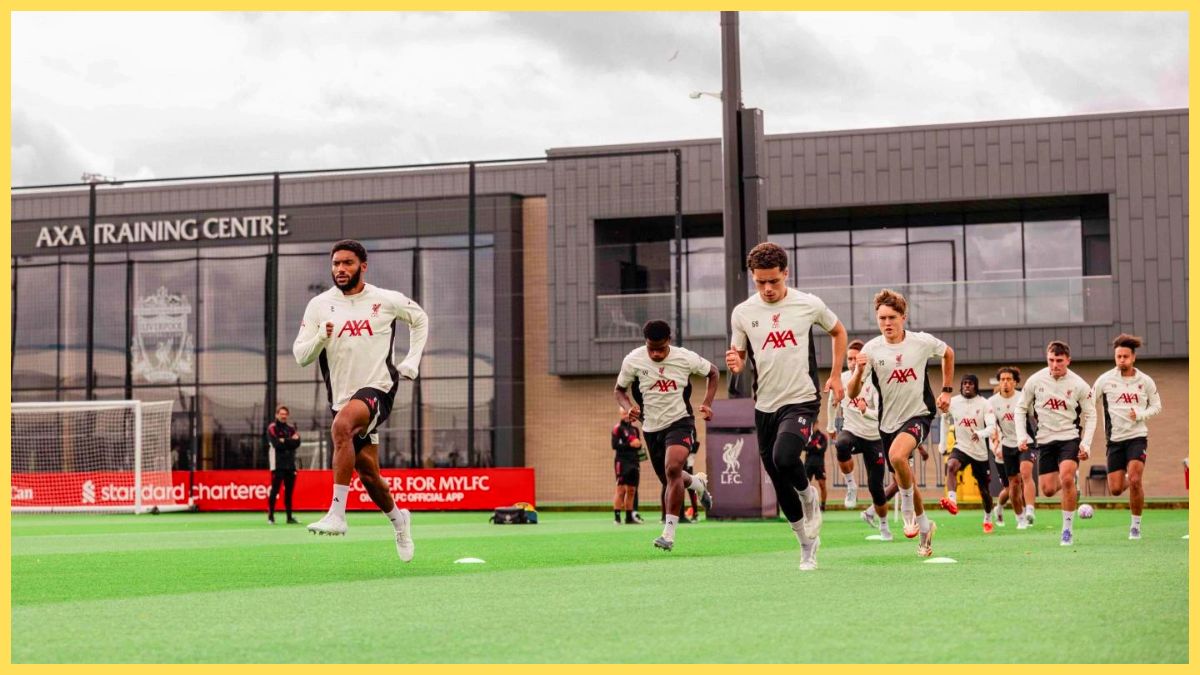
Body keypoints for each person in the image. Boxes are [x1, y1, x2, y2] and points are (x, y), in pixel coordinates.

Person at [292, 239, 428, 562]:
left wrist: (412, 360)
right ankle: (399, 520)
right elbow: (300, 356)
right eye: (336, 264)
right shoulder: (319, 305)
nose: (340, 269)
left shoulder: (385, 300)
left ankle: (337, 514)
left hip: (379, 388)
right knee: (369, 475)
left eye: (348, 263)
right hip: (342, 397)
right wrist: (320, 338)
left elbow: (420, 319)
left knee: (341, 426)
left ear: (363, 266)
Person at [726, 242, 848, 571]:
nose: (767, 289)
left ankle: (809, 496)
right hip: (765, 404)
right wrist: (735, 363)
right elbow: (737, 354)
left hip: (801, 398)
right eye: (760, 282)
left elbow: (838, 332)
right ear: (752, 278)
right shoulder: (743, 313)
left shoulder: (808, 304)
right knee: (778, 478)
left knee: (785, 457)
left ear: (786, 274)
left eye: (773, 281)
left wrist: (836, 375)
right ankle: (806, 546)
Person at [847, 288, 953, 558]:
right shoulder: (871, 350)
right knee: (903, 472)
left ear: (903, 317)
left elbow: (948, 353)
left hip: (919, 414)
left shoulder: (921, 342)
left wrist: (947, 390)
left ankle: (907, 511)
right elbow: (851, 393)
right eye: (882, 318)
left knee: (897, 455)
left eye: (892, 317)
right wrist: (859, 370)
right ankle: (926, 528)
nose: (887, 323)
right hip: (887, 423)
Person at [615, 320, 718, 552]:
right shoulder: (633, 360)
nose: (656, 353)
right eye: (651, 348)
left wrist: (708, 403)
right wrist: (628, 406)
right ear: (646, 343)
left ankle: (668, 534)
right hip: (651, 427)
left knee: (672, 470)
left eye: (660, 348)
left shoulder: (685, 358)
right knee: (670, 478)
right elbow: (619, 390)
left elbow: (713, 373)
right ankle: (698, 485)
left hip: (680, 422)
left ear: (669, 341)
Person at [1016, 341, 1096, 547]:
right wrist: (1021, 436)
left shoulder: (1079, 385)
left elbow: (1091, 414)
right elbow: (1020, 408)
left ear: (1068, 360)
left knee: (1066, 476)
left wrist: (1085, 444)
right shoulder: (1035, 380)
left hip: (1069, 437)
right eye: (1051, 360)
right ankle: (1069, 479)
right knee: (1048, 490)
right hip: (1044, 439)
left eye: (1059, 361)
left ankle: (1067, 530)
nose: (1054, 365)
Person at [1092, 334, 1162, 540]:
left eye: (1125, 356)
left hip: (1137, 437)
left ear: (1133, 358)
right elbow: (1088, 400)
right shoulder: (1105, 380)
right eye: (1118, 356)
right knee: (1114, 489)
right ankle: (1129, 479)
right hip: (1114, 440)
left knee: (1136, 478)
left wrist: (1141, 415)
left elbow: (1157, 405)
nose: (1121, 360)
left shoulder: (1145, 381)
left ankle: (1135, 526)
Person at [827, 339, 892, 541]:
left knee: (876, 487)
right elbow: (832, 401)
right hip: (852, 430)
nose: (853, 362)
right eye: (850, 359)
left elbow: (882, 414)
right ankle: (851, 485)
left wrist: (866, 411)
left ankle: (883, 526)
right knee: (841, 444)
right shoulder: (843, 378)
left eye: (857, 358)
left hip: (874, 437)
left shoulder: (875, 382)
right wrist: (830, 426)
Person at [937, 375, 998, 533]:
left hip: (980, 452)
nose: (967, 386)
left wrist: (981, 433)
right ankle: (952, 500)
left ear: (976, 386)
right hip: (962, 447)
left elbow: (992, 427)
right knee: (951, 466)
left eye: (970, 384)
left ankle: (988, 516)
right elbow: (944, 419)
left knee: (984, 491)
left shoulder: (985, 404)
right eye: (964, 383)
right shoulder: (954, 402)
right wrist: (943, 444)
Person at [989, 367, 1031, 529]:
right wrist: (996, 446)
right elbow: (992, 427)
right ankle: (999, 507)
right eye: (1002, 380)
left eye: (1008, 379)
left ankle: (1022, 514)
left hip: (1020, 444)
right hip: (1001, 450)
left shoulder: (1022, 398)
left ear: (1015, 382)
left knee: (1019, 482)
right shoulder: (992, 403)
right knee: (1009, 487)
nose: (1005, 383)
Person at [266, 405, 301, 524]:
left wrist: (284, 440)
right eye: (281, 414)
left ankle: (289, 517)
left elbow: (297, 442)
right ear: (277, 415)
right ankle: (270, 517)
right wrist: (290, 441)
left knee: (289, 492)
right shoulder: (272, 428)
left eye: (285, 414)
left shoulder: (291, 428)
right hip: (277, 464)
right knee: (274, 490)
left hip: (290, 464)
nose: (283, 416)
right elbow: (277, 444)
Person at [611, 409, 644, 525]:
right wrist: (630, 444)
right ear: (620, 414)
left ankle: (629, 517)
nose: (626, 415)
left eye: (628, 413)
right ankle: (617, 517)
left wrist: (638, 445)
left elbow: (639, 446)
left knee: (631, 490)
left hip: (634, 462)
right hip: (622, 462)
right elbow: (614, 445)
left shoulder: (635, 429)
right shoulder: (618, 428)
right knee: (620, 489)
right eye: (624, 413)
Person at [805, 429, 829, 511]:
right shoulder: (807, 435)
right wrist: (815, 445)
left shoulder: (822, 436)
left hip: (819, 464)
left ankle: (823, 506)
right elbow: (804, 447)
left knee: (822, 485)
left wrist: (811, 447)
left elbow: (823, 449)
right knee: (805, 486)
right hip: (808, 464)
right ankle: (807, 506)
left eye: (814, 424)